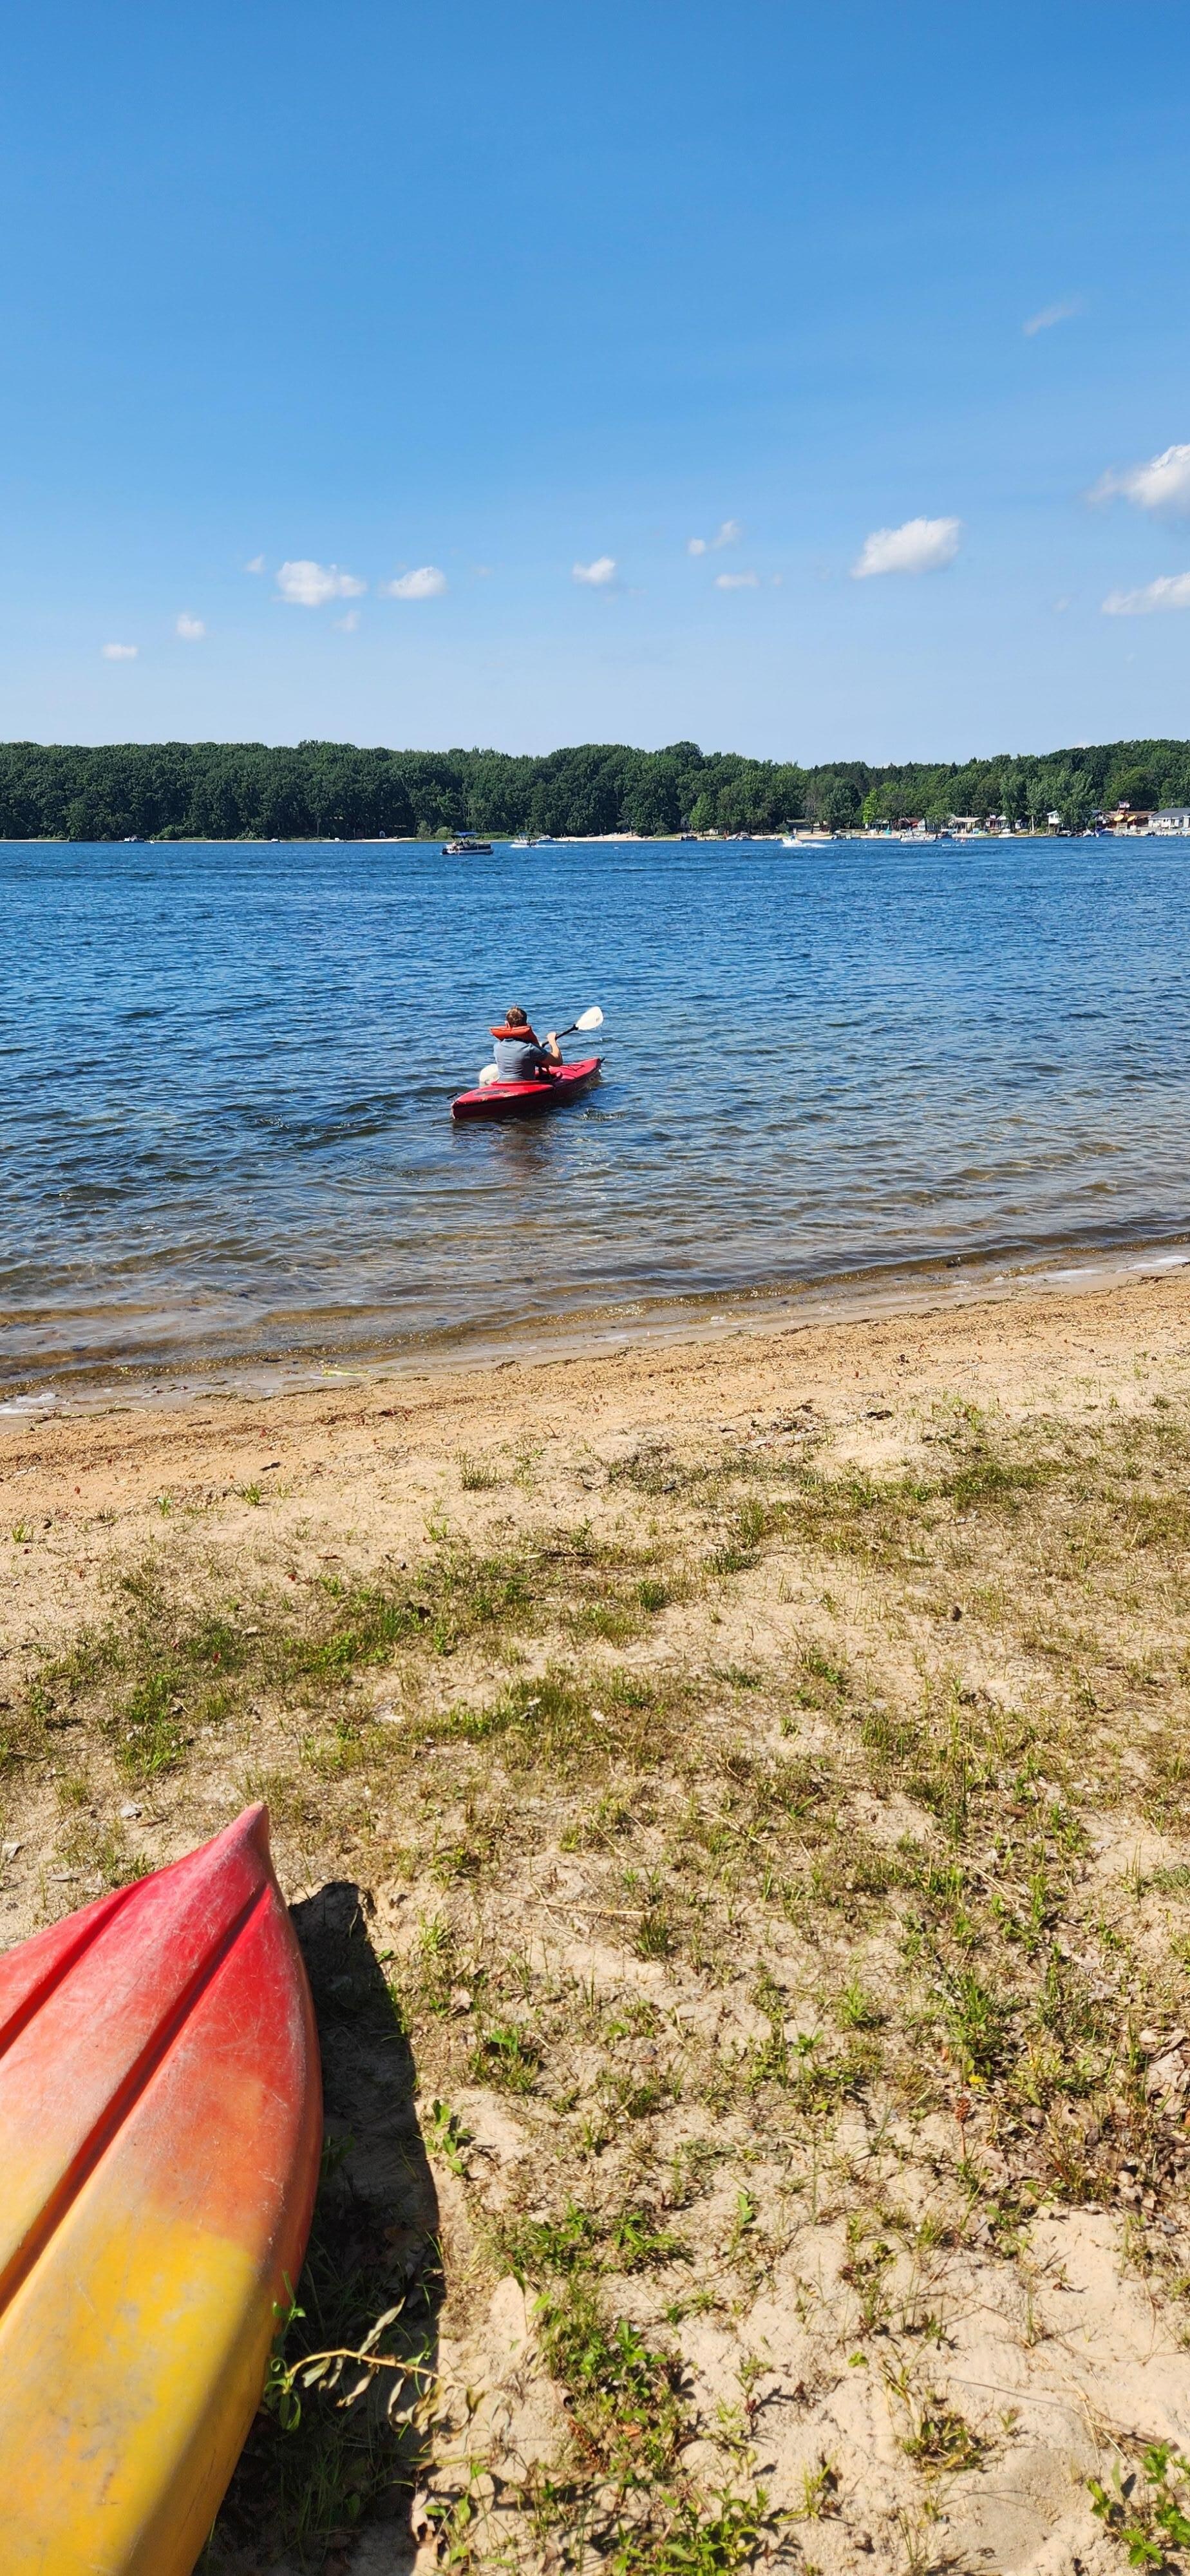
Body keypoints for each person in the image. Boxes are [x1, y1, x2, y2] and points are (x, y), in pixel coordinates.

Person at [490, 1005, 562, 1083]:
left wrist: (539, 1051)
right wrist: (552, 1041)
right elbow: (558, 1062)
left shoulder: (497, 1047)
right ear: (526, 1025)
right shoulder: (530, 1048)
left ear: (507, 1024)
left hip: (503, 1085)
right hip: (524, 1087)